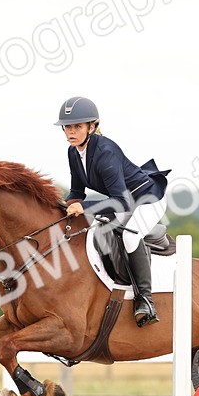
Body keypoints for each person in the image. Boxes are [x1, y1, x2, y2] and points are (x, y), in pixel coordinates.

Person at [55, 96, 169, 326]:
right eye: (67, 126)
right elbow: (77, 190)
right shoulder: (73, 152)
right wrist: (60, 207)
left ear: (92, 126)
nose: (71, 131)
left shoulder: (105, 151)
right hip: (121, 201)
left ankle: (145, 300)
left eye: (77, 126)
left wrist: (83, 207)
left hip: (146, 200)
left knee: (129, 235)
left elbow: (120, 203)